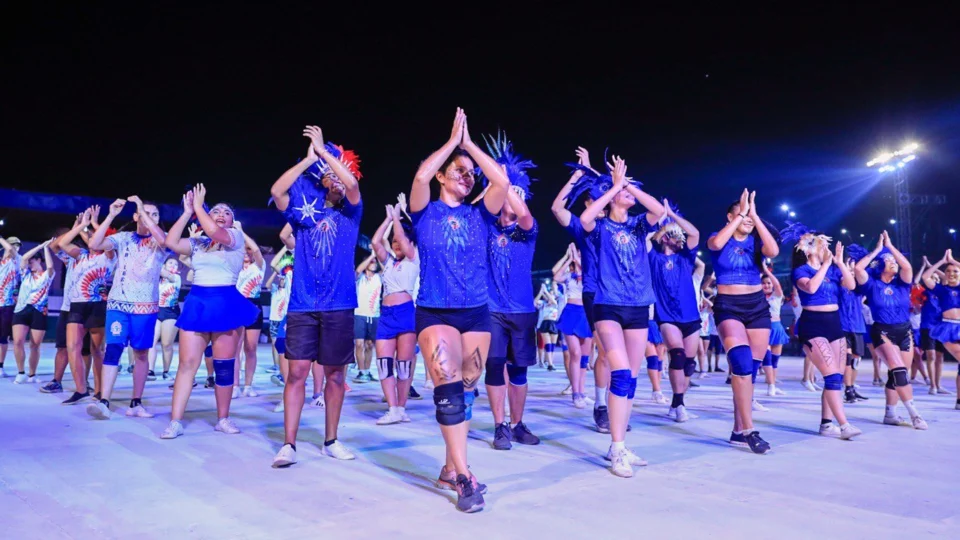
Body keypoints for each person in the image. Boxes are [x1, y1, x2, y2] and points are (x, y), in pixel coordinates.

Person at [407, 109, 509, 512]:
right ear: (442, 176)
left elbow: (500, 180)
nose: (468, 177)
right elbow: (418, 178)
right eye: (459, 172)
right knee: (447, 391)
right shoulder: (425, 210)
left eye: (471, 174)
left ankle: (451, 465)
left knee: (466, 392)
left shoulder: (479, 213)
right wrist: (451, 143)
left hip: (476, 313)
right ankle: (465, 478)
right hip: (435, 312)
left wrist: (469, 147)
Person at [269, 125, 363, 467]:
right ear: (321, 178)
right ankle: (289, 444)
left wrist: (326, 153)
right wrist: (309, 160)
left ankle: (331, 439)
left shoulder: (352, 212)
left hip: (340, 304)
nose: (339, 178)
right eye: (331, 174)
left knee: (336, 374)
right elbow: (277, 191)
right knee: (296, 374)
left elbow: (352, 186)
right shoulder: (304, 212)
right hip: (303, 304)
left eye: (342, 170)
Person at [580, 156, 665, 477]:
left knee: (630, 377)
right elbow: (586, 217)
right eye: (625, 191)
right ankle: (617, 447)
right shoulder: (600, 226)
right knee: (619, 373)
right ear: (611, 196)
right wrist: (614, 186)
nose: (630, 192)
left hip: (638, 306)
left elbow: (659, 210)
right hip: (608, 305)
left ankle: (619, 442)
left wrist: (627, 186)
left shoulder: (639, 224)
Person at [159, 186, 259, 438]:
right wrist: (186, 213)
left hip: (226, 301)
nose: (221, 214)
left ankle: (223, 418)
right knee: (187, 365)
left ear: (233, 220)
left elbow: (215, 230)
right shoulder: (198, 242)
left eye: (226, 212)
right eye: (216, 211)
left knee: (224, 366)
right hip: (199, 302)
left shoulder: (234, 236)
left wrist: (200, 208)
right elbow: (169, 242)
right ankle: (175, 421)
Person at [477, 132, 541, 451]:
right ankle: (500, 425)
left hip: (522, 310)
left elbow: (525, 214)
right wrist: (496, 183)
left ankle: (517, 424)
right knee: (494, 366)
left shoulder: (528, 230)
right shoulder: (487, 225)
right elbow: (480, 207)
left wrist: (509, 185)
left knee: (518, 370)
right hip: (491, 310)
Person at [706, 189, 779, 454]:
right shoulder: (717, 238)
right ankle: (749, 430)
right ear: (730, 216)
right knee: (740, 365)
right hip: (729, 307)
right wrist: (739, 218)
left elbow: (774, 250)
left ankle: (738, 430)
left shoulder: (756, 243)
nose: (747, 218)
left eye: (750, 214)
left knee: (749, 374)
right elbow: (715, 246)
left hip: (757, 307)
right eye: (742, 213)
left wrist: (754, 216)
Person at [85, 196, 168, 420]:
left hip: (146, 308)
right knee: (113, 349)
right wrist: (110, 215)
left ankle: (136, 403)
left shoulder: (163, 240)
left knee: (141, 354)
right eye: (143, 213)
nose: (149, 217)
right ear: (134, 216)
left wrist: (143, 210)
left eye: (155, 214)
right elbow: (94, 244)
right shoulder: (122, 239)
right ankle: (104, 401)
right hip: (118, 305)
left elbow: (164, 241)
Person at [783, 223, 862, 439]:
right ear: (807, 249)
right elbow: (811, 288)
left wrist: (838, 262)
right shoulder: (801, 270)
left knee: (835, 376)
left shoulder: (833, 269)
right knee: (831, 375)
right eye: (820, 243)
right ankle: (844, 425)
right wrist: (826, 265)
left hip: (834, 323)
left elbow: (851, 285)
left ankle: (826, 424)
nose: (824, 246)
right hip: (813, 323)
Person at [854, 231, 927, 429]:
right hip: (882, 331)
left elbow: (908, 266)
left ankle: (890, 414)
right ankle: (915, 414)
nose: (893, 262)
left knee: (896, 376)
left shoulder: (903, 284)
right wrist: (878, 250)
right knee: (900, 372)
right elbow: (859, 268)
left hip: (905, 331)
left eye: (894, 260)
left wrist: (891, 247)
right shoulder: (871, 285)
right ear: (879, 266)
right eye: (889, 260)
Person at [648, 200, 703, 422]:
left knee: (689, 363)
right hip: (667, 315)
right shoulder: (654, 257)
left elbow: (695, 233)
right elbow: (646, 239)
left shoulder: (685, 257)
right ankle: (679, 403)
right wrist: (662, 225)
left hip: (690, 315)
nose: (679, 237)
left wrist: (672, 215)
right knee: (677, 356)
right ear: (664, 237)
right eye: (674, 234)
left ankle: (676, 400)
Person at [53, 207, 115, 403]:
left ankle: (99, 390)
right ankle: (81, 389)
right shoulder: (78, 255)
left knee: (98, 350)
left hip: (97, 305)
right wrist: (81, 226)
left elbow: (104, 240)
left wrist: (94, 226)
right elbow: (60, 243)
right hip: (76, 306)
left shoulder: (109, 255)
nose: (92, 239)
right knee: (73, 347)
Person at [370, 199, 419, 425]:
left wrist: (400, 218)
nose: (396, 244)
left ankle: (401, 407)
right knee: (383, 363)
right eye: (394, 242)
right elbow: (375, 241)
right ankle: (392, 408)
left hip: (406, 313)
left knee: (404, 364)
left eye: (400, 241)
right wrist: (389, 219)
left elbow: (403, 240)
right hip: (387, 316)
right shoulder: (388, 261)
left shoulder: (413, 258)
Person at [9, 239, 55, 383]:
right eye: (30, 260)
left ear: (39, 260)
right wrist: (40, 245)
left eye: (33, 260)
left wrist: (46, 249)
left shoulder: (47, 276)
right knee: (18, 341)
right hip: (22, 310)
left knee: (35, 345)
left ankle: (32, 374)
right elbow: (23, 258)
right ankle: (21, 372)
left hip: (39, 310)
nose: (30, 262)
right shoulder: (25, 274)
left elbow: (50, 266)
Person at [553, 244, 593, 408]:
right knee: (574, 353)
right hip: (570, 312)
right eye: (578, 252)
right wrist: (569, 258)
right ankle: (575, 392)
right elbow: (556, 277)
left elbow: (591, 276)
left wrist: (578, 260)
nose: (579, 255)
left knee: (584, 357)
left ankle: (582, 392)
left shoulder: (590, 273)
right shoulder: (569, 275)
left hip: (586, 313)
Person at [922, 250, 960, 407]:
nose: (951, 273)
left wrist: (953, 260)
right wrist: (941, 261)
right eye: (948, 271)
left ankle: (959, 400)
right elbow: (925, 277)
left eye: (955, 271)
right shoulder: (941, 289)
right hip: (948, 328)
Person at [235, 225, 266, 398]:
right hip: (237, 306)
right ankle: (235, 386)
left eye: (249, 250)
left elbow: (254, 248)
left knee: (251, 348)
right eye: (243, 249)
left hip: (254, 306)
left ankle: (248, 385)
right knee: (235, 348)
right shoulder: (234, 266)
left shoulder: (259, 266)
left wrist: (241, 232)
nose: (247, 252)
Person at [839, 244, 870, 403]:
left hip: (858, 326)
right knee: (848, 357)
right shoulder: (840, 289)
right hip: (843, 326)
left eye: (852, 273)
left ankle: (852, 386)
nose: (851, 275)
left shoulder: (859, 290)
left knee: (856, 358)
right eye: (848, 272)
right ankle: (848, 389)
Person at [917, 256, 951, 396]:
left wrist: (932, 265)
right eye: (933, 277)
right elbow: (918, 280)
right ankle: (932, 385)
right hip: (927, 326)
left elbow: (947, 278)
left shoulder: (944, 291)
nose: (935, 278)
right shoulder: (925, 293)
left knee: (940, 356)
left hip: (941, 327)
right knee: (930, 355)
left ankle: (938, 384)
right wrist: (927, 268)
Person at [150, 258, 181, 381]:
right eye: (171, 262)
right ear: (164, 264)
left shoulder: (176, 278)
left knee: (166, 344)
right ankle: (150, 370)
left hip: (171, 311)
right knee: (151, 342)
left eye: (176, 263)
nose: (173, 265)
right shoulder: (157, 278)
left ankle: (166, 371)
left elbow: (170, 277)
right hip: (156, 310)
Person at [353, 252, 381, 383]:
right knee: (359, 344)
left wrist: (377, 256)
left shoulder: (379, 277)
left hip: (374, 315)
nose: (374, 264)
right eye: (371, 262)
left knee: (369, 345)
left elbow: (386, 267)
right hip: (359, 314)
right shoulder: (360, 278)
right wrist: (371, 255)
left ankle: (368, 371)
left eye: (375, 262)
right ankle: (361, 371)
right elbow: (358, 269)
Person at [761, 265, 788, 396]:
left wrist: (767, 272)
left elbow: (777, 285)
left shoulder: (776, 295)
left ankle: (773, 384)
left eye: (768, 283)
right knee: (766, 358)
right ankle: (770, 386)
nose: (766, 285)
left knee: (775, 360)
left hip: (777, 328)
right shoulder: (758, 296)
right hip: (763, 328)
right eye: (764, 283)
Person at [0, 234, 22, 377]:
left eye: (17, 245)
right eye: (12, 245)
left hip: (8, 305)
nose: (14, 248)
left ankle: (0, 365)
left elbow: (12, 252)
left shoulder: (19, 261)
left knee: (2, 337)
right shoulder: (2, 263)